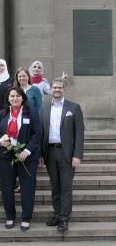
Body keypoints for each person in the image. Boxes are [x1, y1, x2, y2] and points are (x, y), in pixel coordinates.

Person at [0, 86, 42, 231]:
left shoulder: (30, 113)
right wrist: (1, 140)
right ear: (8, 98)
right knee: (7, 188)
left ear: (23, 98)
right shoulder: (3, 113)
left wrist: (27, 150)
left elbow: (38, 133)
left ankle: (26, 218)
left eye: (18, 96)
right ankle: (10, 217)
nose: (15, 99)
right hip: (6, 156)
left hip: (26, 157)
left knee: (27, 187)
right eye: (12, 96)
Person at [40, 78, 84, 233]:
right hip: (50, 152)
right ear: (50, 90)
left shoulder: (74, 108)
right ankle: (57, 214)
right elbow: (42, 133)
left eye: (59, 87)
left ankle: (64, 218)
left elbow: (79, 134)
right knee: (55, 186)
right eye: (54, 87)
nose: (57, 90)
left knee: (65, 187)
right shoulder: (45, 109)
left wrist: (77, 155)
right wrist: (41, 153)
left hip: (67, 154)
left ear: (64, 89)